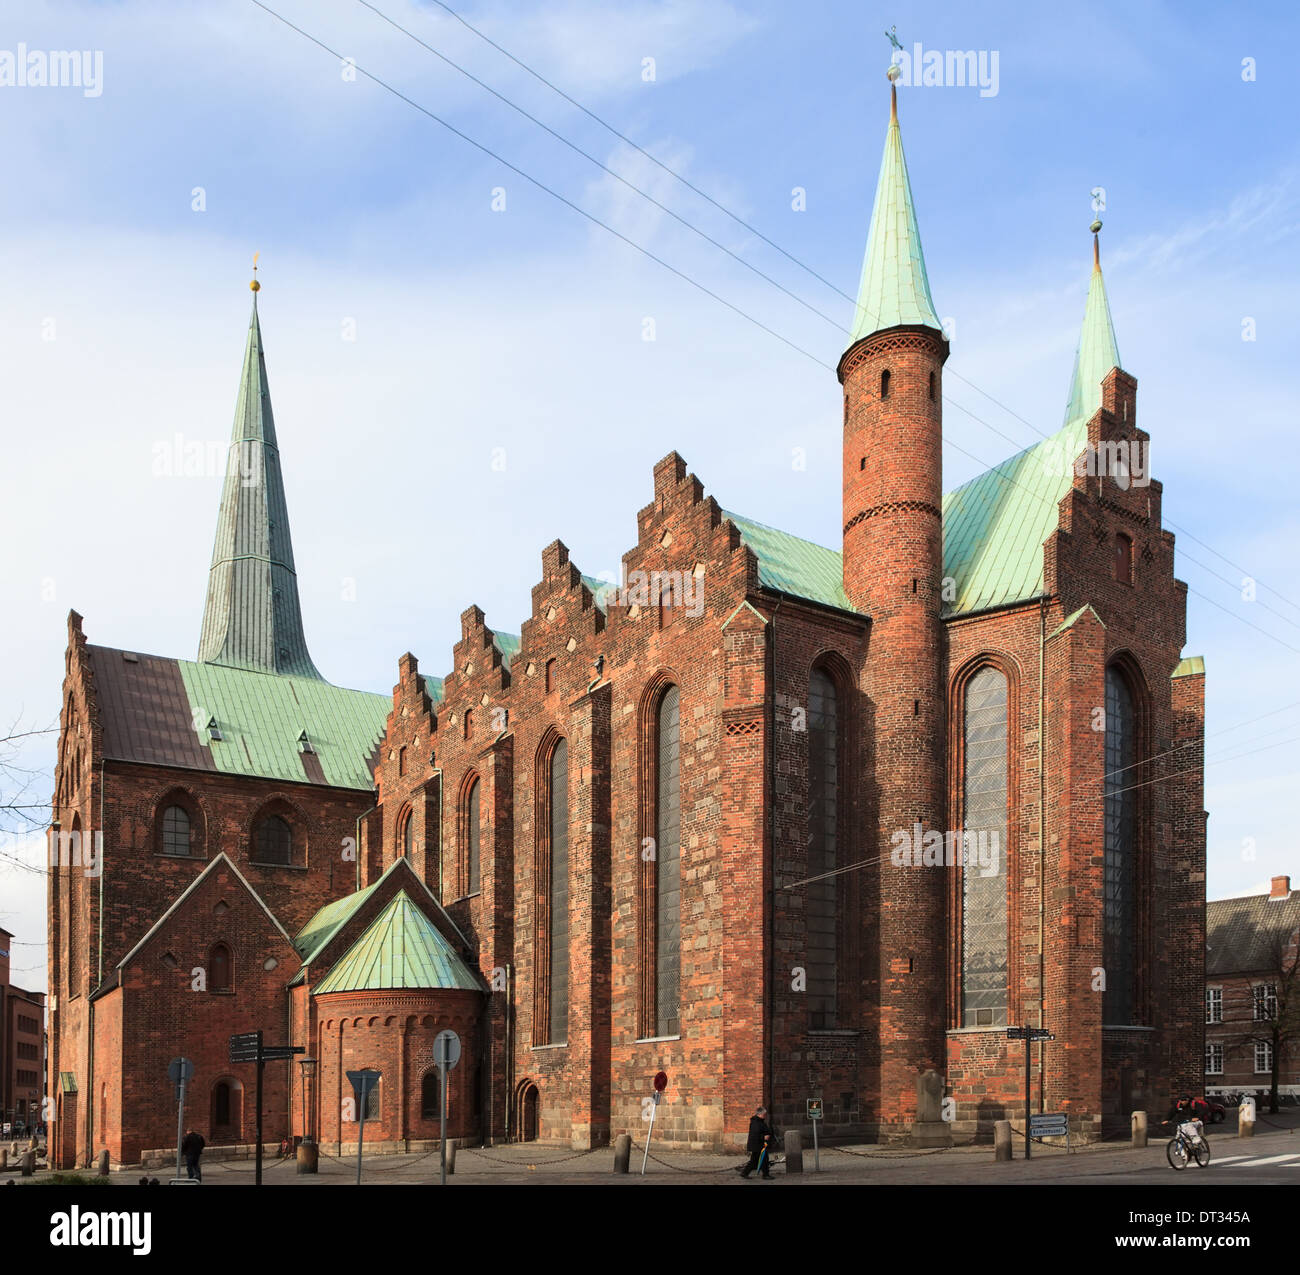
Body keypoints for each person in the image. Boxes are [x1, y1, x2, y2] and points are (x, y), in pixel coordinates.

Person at [739, 1105, 773, 1179]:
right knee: (761, 1160)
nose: (765, 1116)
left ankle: (745, 1173)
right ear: (759, 1114)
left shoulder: (759, 1121)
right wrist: (763, 1137)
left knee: (757, 1161)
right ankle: (765, 1175)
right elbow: (755, 1135)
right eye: (764, 1114)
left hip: (759, 1145)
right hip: (757, 1145)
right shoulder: (756, 1122)